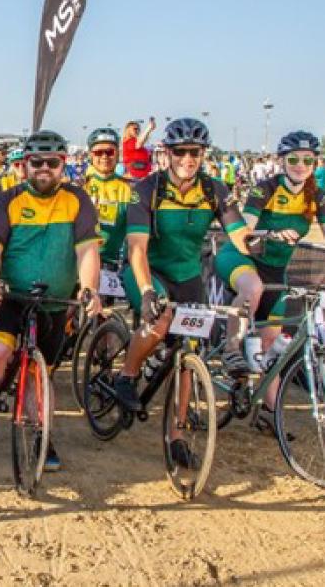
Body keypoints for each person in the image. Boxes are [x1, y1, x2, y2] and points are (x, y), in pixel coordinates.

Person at [112, 117, 247, 462]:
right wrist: (145, 291)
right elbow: (138, 249)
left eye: (195, 152)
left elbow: (240, 236)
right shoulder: (147, 189)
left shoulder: (214, 190)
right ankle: (127, 376)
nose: (188, 159)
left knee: (189, 355)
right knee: (160, 321)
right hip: (149, 271)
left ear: (203, 155)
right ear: (168, 154)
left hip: (188, 277)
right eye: (181, 152)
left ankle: (177, 434)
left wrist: (268, 240)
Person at [0, 128, 101, 468]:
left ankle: (42, 436)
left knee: (40, 374)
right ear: (25, 164)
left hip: (56, 302)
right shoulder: (7, 200)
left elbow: (87, 251)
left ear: (63, 164)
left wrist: (89, 288)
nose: (44, 168)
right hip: (11, 296)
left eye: (52, 163)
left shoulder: (77, 200)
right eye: (36, 162)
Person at [213, 127, 325, 407]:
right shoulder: (267, 188)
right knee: (253, 287)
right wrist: (271, 235)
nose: (300, 166)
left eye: (308, 160)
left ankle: (272, 412)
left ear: (315, 163)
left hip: (275, 268)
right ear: (282, 160)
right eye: (294, 159)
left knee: (271, 344)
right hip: (242, 258)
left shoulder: (317, 196)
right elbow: (244, 232)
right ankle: (231, 346)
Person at [82, 126, 135, 276]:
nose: (104, 156)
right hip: (80, 262)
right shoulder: (79, 187)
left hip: (113, 266)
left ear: (117, 154)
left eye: (110, 152)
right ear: (90, 155)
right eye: (98, 152)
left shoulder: (129, 189)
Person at [121, 116, 155, 180]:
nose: (137, 131)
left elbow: (142, 140)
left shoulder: (133, 141)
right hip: (135, 176)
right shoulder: (128, 141)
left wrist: (150, 130)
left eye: (138, 129)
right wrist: (148, 129)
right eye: (135, 129)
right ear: (128, 129)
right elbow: (139, 143)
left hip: (141, 175)